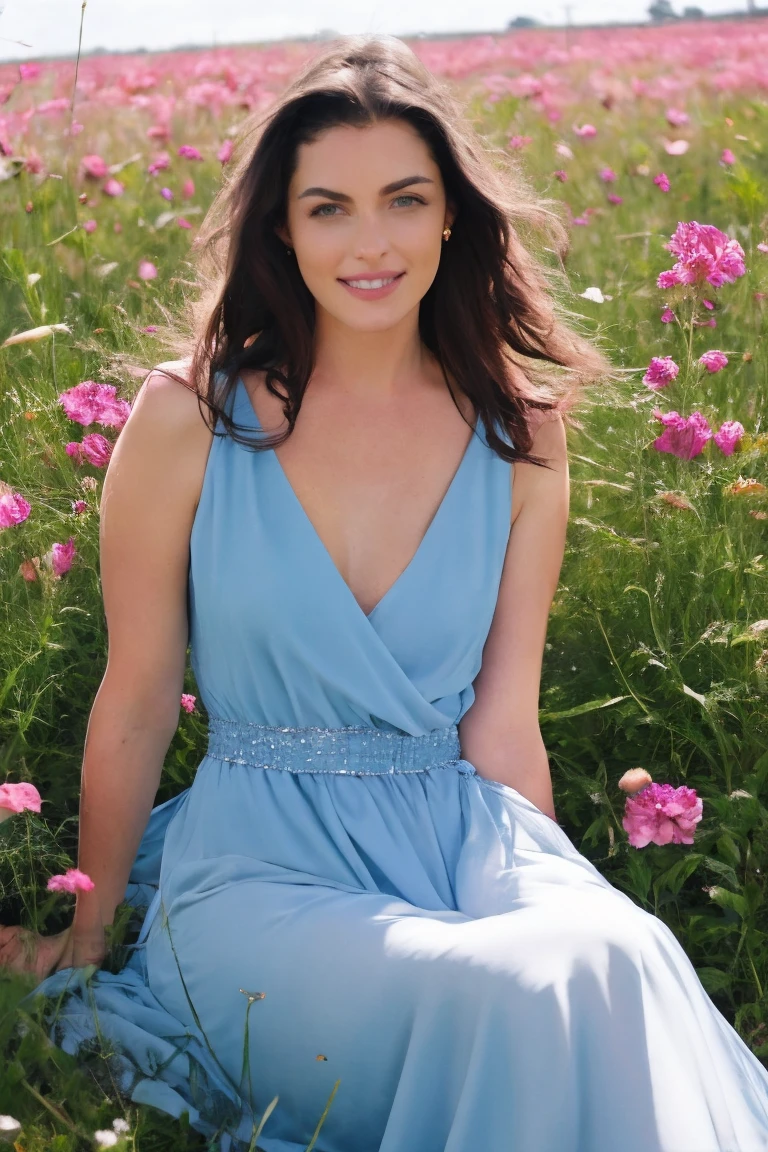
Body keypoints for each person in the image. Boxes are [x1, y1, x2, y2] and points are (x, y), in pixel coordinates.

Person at [3, 32, 768, 1152]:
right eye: (329, 208)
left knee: (615, 952)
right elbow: (136, 695)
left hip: (467, 840)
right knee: (511, 992)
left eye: (403, 200)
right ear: (283, 227)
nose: (372, 242)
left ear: (451, 213)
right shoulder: (190, 420)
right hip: (257, 868)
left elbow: (503, 725)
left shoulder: (522, 434)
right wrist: (88, 925)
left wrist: (556, 894)